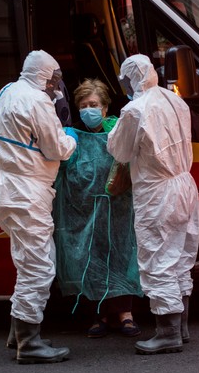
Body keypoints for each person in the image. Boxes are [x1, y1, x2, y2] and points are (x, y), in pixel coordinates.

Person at [0, 50, 78, 364]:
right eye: (54, 78)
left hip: (3, 188)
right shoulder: (38, 101)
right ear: (44, 75)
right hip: (26, 191)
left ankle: (18, 333)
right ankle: (29, 342)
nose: (56, 85)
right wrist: (71, 139)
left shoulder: (8, 91)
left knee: (27, 261)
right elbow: (56, 149)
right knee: (39, 266)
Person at [106, 54, 199, 355]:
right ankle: (181, 327)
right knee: (181, 257)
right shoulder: (176, 101)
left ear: (131, 78)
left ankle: (167, 332)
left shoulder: (135, 110)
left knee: (158, 260)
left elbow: (119, 149)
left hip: (157, 193)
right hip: (184, 184)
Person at [53, 78, 143, 339]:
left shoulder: (117, 131)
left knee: (122, 256)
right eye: (83, 105)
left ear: (105, 108)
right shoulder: (73, 138)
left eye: (93, 104)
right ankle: (99, 315)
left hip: (119, 210)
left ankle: (125, 314)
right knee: (90, 260)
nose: (88, 109)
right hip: (84, 213)